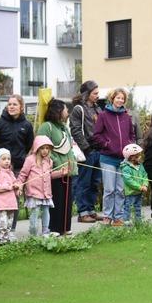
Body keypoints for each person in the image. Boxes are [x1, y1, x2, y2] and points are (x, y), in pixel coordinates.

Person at [0, 94, 34, 238]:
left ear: (21, 107)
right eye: (9, 104)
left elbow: (29, 145)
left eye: (14, 104)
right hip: (0, 168)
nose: (11, 107)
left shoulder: (26, 125)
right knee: (0, 198)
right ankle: (0, 231)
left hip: (17, 167)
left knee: (14, 199)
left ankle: (11, 230)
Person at [91, 88, 135, 226]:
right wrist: (107, 144)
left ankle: (118, 217)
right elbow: (96, 135)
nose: (120, 100)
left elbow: (131, 135)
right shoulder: (103, 115)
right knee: (109, 189)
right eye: (118, 98)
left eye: (122, 98)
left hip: (123, 159)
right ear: (112, 99)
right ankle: (107, 216)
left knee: (120, 190)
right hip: (108, 158)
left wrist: (130, 146)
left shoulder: (127, 116)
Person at [37, 99, 78, 235]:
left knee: (67, 200)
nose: (68, 112)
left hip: (68, 171)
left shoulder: (64, 127)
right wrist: (57, 163)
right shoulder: (46, 126)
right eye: (66, 109)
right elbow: (41, 147)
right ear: (58, 111)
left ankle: (65, 228)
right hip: (55, 172)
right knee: (56, 201)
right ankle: (54, 229)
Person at [16, 135, 68, 236]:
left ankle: (45, 232)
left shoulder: (49, 161)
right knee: (34, 215)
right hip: (34, 193)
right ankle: (33, 235)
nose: (45, 151)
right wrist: (19, 185)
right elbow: (23, 174)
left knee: (46, 213)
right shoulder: (30, 160)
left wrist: (61, 173)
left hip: (46, 193)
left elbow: (49, 175)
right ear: (37, 148)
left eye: (47, 148)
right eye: (42, 148)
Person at [70, 80, 103, 223]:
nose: (97, 95)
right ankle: (83, 212)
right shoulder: (78, 109)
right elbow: (76, 130)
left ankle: (91, 210)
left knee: (94, 182)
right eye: (95, 93)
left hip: (98, 150)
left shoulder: (97, 109)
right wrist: (86, 148)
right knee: (83, 182)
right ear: (87, 93)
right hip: (86, 151)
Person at [0, 149, 19, 245]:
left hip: (11, 204)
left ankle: (7, 242)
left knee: (9, 225)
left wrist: (18, 187)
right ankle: (0, 242)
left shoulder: (11, 173)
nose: (7, 161)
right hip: (0, 205)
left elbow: (15, 183)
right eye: (4, 159)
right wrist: (5, 187)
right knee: (2, 224)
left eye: (9, 159)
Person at [120, 143, 148, 224]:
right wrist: (139, 187)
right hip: (130, 193)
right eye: (138, 156)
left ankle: (138, 222)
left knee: (138, 207)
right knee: (128, 207)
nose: (140, 157)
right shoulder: (126, 168)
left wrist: (145, 184)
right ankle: (126, 222)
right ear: (131, 157)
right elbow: (128, 181)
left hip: (139, 192)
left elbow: (145, 175)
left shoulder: (140, 166)